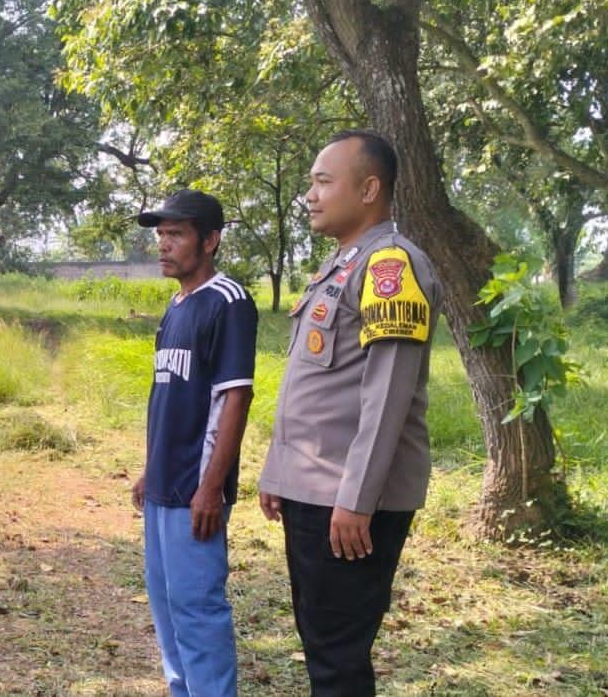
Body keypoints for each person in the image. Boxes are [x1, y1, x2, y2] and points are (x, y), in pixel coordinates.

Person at [258, 130, 444, 696]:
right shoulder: (341, 264)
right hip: (314, 488)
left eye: (323, 182)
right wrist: (279, 472)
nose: (309, 196)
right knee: (322, 644)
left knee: (337, 656)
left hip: (348, 500)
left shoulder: (391, 266)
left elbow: (388, 394)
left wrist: (357, 499)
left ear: (368, 189)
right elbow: (315, 383)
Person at [132, 189, 259, 697]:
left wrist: (211, 488)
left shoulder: (228, 302)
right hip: (163, 485)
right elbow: (171, 398)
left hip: (194, 491)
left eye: (176, 234)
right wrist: (149, 470)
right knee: (166, 606)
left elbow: (235, 399)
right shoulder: (176, 305)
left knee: (198, 612)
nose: (164, 244)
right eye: (161, 234)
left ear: (210, 240)